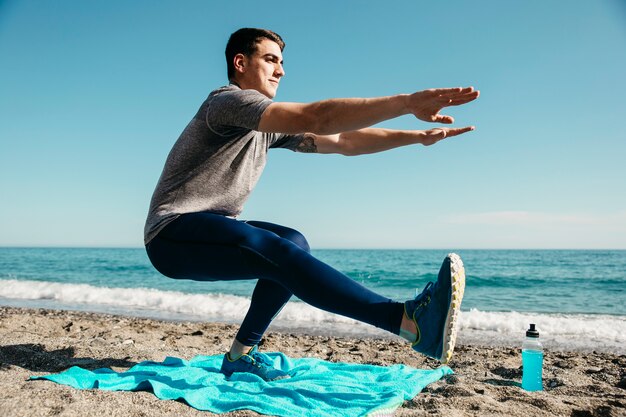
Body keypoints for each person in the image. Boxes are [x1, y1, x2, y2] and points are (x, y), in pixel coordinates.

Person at [144, 28, 479, 381]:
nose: (281, 71)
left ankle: (240, 355)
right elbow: (318, 117)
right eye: (271, 60)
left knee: (293, 242)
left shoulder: (265, 127)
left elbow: (344, 140)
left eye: (282, 62)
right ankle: (407, 321)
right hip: (172, 234)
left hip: (210, 231)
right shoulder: (226, 102)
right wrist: (406, 103)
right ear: (240, 63)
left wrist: (417, 138)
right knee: (274, 249)